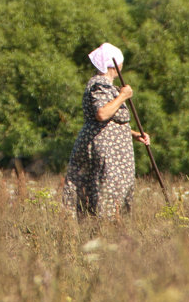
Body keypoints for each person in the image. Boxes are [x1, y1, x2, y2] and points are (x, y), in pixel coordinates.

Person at [61, 42, 150, 218]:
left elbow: (110, 123)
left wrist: (133, 134)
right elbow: (102, 114)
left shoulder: (108, 86)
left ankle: (109, 230)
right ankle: (104, 230)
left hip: (113, 150)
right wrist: (123, 96)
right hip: (106, 152)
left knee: (111, 192)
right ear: (113, 64)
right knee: (106, 191)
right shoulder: (99, 84)